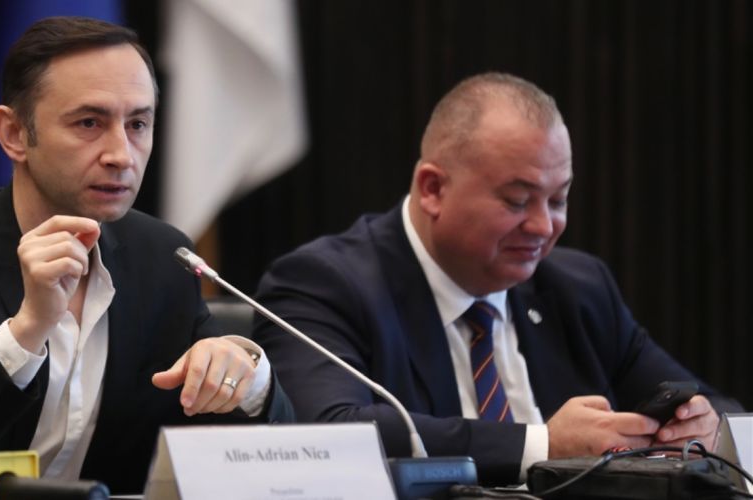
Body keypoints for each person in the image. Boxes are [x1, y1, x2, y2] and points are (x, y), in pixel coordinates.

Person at [0, 16, 292, 493]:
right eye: (89, 123)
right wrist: (26, 331)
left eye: (138, 124)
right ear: (14, 134)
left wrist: (246, 380)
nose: (121, 154)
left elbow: (268, 461)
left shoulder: (163, 258)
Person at [252, 72, 742, 486]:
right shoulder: (324, 284)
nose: (544, 226)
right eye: (517, 200)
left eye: (558, 199)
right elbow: (330, 434)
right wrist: (545, 445)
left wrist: (702, 427)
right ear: (433, 188)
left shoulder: (579, 287)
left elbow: (718, 407)